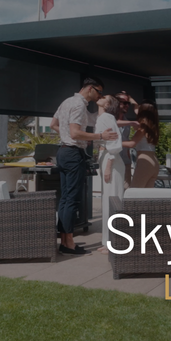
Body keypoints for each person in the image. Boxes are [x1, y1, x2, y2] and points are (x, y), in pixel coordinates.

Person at [50, 77, 117, 255]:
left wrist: (73, 136)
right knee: (72, 200)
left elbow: (54, 125)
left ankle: (65, 241)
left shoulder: (67, 102)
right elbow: (75, 132)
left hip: (63, 152)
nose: (100, 95)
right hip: (73, 154)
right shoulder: (79, 105)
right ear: (90, 88)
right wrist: (100, 136)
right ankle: (68, 243)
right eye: (99, 91)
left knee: (65, 199)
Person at [94, 95, 124, 254]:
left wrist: (108, 166)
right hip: (105, 157)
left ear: (108, 104)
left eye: (104, 97)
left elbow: (115, 144)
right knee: (108, 201)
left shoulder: (107, 118)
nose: (101, 96)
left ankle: (114, 242)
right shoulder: (102, 117)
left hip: (111, 160)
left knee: (112, 200)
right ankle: (108, 241)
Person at [123, 101, 160, 189]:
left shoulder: (143, 127)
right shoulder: (153, 126)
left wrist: (112, 142)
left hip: (144, 160)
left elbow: (131, 144)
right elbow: (137, 110)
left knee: (135, 192)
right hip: (154, 161)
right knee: (146, 194)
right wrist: (131, 100)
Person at [115, 91, 139, 189]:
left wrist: (132, 101)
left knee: (126, 191)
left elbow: (140, 113)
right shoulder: (109, 118)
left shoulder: (127, 121)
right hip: (113, 161)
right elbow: (114, 123)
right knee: (114, 191)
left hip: (125, 162)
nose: (127, 105)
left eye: (128, 103)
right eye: (124, 103)